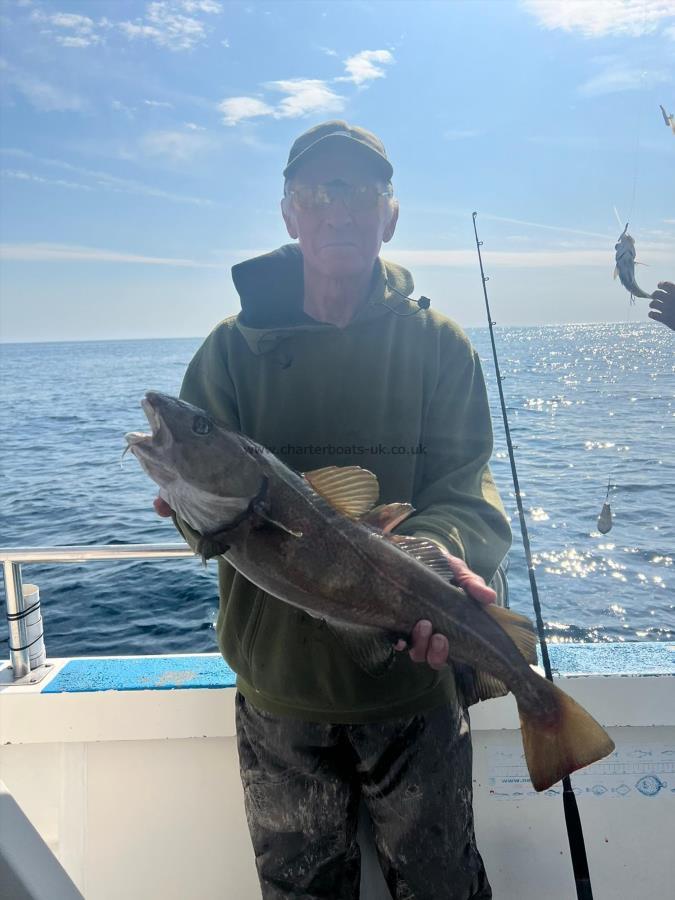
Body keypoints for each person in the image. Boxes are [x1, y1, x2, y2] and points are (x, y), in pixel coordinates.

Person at [155, 120, 511, 899]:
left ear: (390, 214)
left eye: (360, 192)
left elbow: (469, 490)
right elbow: (207, 514)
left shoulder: (439, 346)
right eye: (318, 193)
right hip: (279, 693)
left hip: (414, 690)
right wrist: (185, 507)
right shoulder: (229, 352)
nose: (338, 210)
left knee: (445, 887)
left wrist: (439, 554)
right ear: (289, 213)